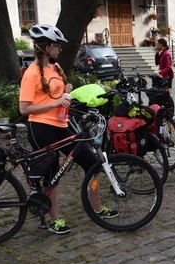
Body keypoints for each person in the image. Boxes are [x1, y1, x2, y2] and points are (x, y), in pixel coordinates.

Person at [19, 24, 115, 235]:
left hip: (62, 125)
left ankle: (97, 207)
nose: (60, 50)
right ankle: (54, 219)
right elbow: (24, 108)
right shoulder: (32, 73)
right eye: (57, 46)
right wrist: (54, 104)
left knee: (91, 163)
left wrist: (67, 90)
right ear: (46, 47)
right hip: (41, 127)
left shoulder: (55, 68)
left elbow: (54, 95)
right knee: (51, 172)